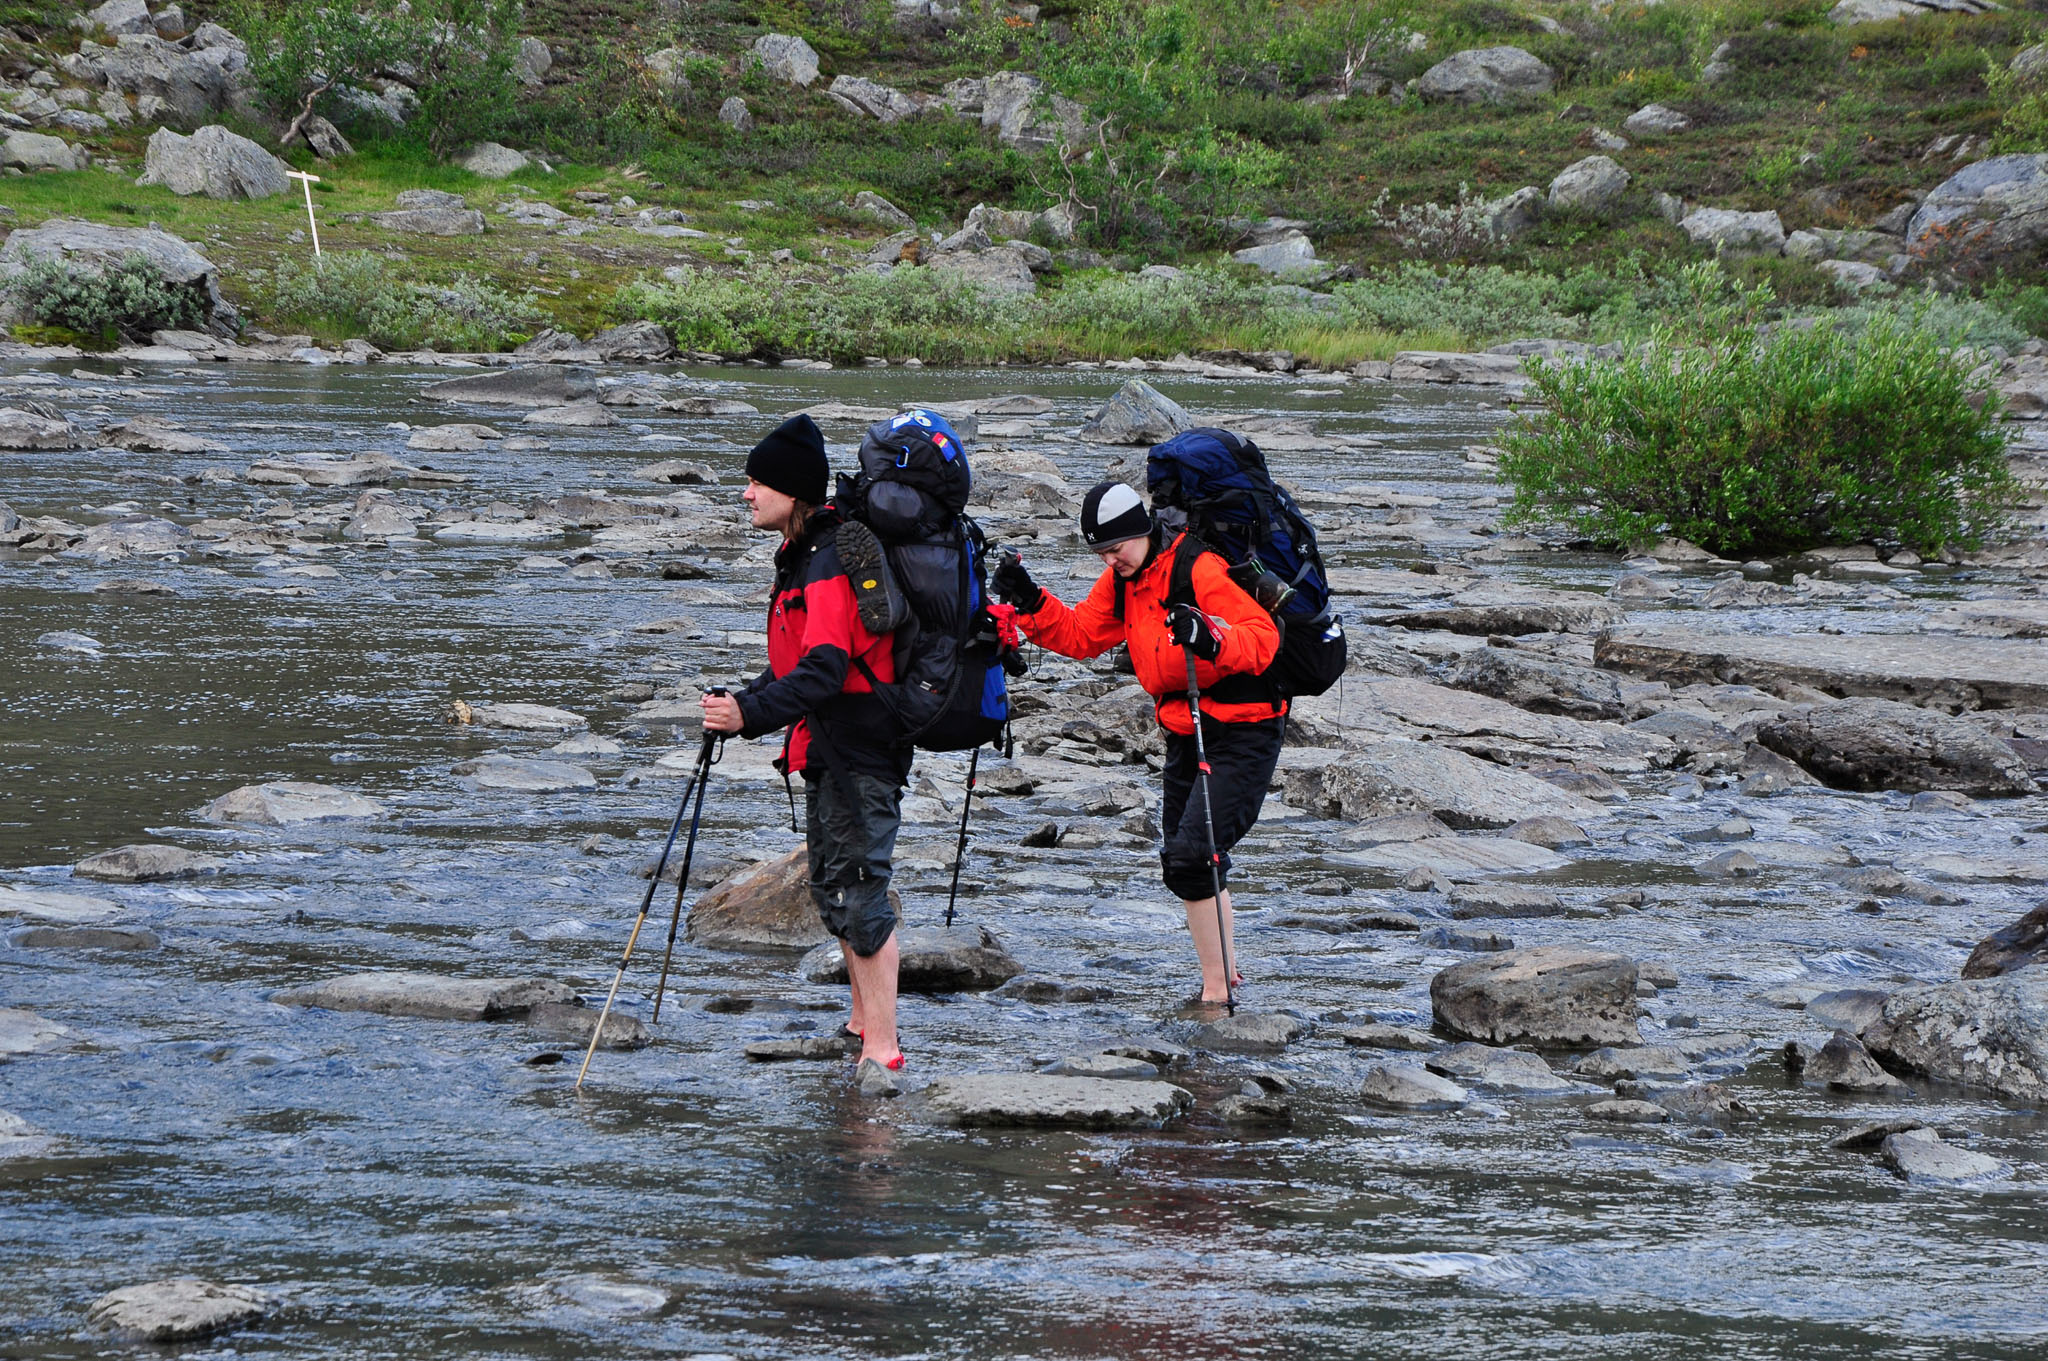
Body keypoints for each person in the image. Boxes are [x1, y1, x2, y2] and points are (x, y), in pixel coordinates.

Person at [992, 481, 1283, 1006]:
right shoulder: (1123, 581)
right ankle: (1227, 972)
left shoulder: (1199, 569)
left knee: (1196, 855)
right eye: (1100, 552)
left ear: (1141, 531)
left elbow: (1262, 638)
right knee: (1183, 860)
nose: (1110, 559)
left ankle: (1216, 993)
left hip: (1244, 727)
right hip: (1182, 727)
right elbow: (1082, 635)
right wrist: (1030, 598)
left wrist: (1212, 638)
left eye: (1115, 547)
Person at [701, 413, 911, 1085]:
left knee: (859, 890)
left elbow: (824, 669)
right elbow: (796, 667)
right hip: (829, 746)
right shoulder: (802, 558)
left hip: (861, 747)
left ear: (793, 491)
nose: (747, 493)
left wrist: (750, 715)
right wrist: (743, 701)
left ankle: (883, 1045)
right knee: (831, 885)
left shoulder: (824, 562)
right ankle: (860, 1020)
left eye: (757, 481)